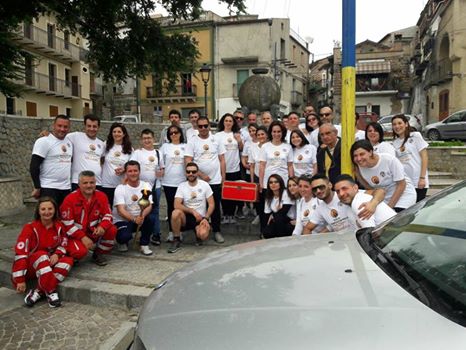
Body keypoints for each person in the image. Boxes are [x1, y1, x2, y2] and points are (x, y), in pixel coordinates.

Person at [12, 197, 73, 308]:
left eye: (50, 209)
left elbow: (64, 243)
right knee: (41, 255)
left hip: (47, 263)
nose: (47, 212)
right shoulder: (29, 228)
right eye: (43, 209)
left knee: (68, 260)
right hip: (30, 266)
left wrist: (57, 254)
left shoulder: (59, 226)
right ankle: (50, 291)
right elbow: (20, 254)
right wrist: (19, 280)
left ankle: (38, 292)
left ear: (55, 210)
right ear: (38, 211)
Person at [60, 171, 117, 266]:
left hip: (93, 232)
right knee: (80, 252)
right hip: (75, 235)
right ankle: (70, 255)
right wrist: (82, 237)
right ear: (79, 184)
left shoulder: (101, 196)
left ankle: (98, 253)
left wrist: (102, 227)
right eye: (85, 183)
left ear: (95, 183)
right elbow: (67, 224)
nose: (89, 185)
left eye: (92, 182)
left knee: (112, 230)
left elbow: (108, 215)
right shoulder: (70, 199)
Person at [185, 116, 226, 244]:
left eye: (205, 126)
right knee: (199, 206)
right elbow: (188, 160)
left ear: (209, 126)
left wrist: (223, 177)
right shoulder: (192, 141)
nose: (203, 128)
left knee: (215, 206)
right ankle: (199, 233)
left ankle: (216, 231)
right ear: (197, 127)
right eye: (200, 126)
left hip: (215, 180)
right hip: (199, 180)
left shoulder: (216, 139)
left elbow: (222, 159)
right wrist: (201, 175)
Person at [303, 174, 385, 234]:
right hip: (345, 243)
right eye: (314, 189)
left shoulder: (345, 194)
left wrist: (373, 204)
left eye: (321, 187)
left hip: (365, 236)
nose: (318, 191)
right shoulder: (320, 209)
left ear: (330, 185)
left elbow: (380, 191)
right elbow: (307, 228)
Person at [351, 140, 416, 212]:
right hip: (384, 197)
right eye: (355, 156)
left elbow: (401, 184)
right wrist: (358, 175)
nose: (359, 158)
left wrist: (389, 208)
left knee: (394, 219)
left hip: (404, 195)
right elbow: (371, 188)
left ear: (370, 152)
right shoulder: (360, 166)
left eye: (362, 154)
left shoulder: (388, 159)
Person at [168, 162, 215, 253]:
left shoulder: (205, 185)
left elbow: (212, 204)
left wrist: (206, 218)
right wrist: (192, 211)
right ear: (186, 173)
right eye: (188, 172)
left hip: (200, 218)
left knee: (202, 235)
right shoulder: (182, 186)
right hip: (187, 217)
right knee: (175, 213)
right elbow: (176, 204)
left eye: (193, 172)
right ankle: (176, 239)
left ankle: (198, 234)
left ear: (197, 173)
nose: (191, 174)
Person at [30, 114, 72, 207]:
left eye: (65, 127)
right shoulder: (44, 141)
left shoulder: (69, 142)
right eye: (59, 126)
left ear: (69, 128)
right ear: (53, 126)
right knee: (48, 218)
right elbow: (34, 165)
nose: (62, 129)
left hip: (66, 189)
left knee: (64, 219)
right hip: (48, 188)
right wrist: (37, 187)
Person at [113, 160, 154, 255]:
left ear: (139, 172)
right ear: (126, 173)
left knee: (151, 218)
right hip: (124, 220)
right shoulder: (120, 188)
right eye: (130, 171)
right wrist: (135, 219)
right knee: (123, 237)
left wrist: (142, 216)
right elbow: (120, 210)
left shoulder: (146, 185)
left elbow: (149, 205)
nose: (133, 173)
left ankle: (144, 244)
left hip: (140, 218)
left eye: (135, 171)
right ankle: (122, 242)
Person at [130, 129, 164, 246]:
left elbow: (162, 167)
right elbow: (132, 168)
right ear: (141, 140)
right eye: (144, 138)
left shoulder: (158, 153)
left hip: (155, 187)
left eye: (149, 138)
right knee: (142, 211)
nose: (147, 140)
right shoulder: (137, 153)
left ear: (153, 139)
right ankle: (144, 235)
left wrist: (161, 172)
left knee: (155, 211)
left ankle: (156, 234)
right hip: (142, 187)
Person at [391, 114, 429, 202]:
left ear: (406, 124)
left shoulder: (415, 136)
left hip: (418, 181)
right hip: (406, 183)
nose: (397, 126)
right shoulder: (395, 143)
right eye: (394, 124)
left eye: (400, 123)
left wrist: (422, 178)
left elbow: (424, 157)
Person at [160, 125, 187, 243]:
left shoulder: (185, 147)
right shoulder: (165, 147)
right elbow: (159, 163)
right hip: (169, 182)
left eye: (176, 132)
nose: (174, 134)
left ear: (180, 133)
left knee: (181, 208)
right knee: (171, 207)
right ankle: (172, 232)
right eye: (171, 133)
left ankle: (180, 231)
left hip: (182, 182)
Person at [215, 113, 243, 224]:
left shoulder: (237, 134)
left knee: (233, 193)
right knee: (223, 193)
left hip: (234, 168)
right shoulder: (218, 136)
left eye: (230, 121)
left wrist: (239, 140)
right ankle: (225, 214)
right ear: (223, 122)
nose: (228, 123)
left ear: (233, 123)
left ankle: (232, 214)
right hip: (222, 169)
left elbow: (241, 149)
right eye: (226, 120)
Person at [66, 114, 105, 190]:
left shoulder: (101, 144)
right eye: (89, 126)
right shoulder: (75, 136)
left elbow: (102, 161)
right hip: (79, 183)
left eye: (94, 126)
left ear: (98, 127)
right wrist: (48, 135)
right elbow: (60, 137)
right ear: (85, 126)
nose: (91, 129)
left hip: (97, 183)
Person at [100, 122, 133, 207]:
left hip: (121, 185)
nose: (116, 134)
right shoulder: (106, 144)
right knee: (107, 209)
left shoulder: (129, 149)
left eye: (119, 132)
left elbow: (131, 166)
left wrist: (124, 169)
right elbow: (100, 159)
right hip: (106, 184)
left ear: (124, 134)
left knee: (119, 210)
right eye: (114, 132)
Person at [259, 121, 294, 192]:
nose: (276, 134)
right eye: (274, 131)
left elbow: (290, 166)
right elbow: (262, 166)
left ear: (283, 132)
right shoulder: (265, 146)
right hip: (268, 183)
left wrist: (291, 182)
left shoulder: (288, 147)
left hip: (284, 182)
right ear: (270, 133)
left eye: (279, 131)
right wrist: (261, 183)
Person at [248, 126, 269, 227]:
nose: (261, 136)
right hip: (257, 177)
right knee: (260, 203)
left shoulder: (270, 146)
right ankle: (261, 221)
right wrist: (252, 181)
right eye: (259, 135)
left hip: (269, 178)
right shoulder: (253, 147)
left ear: (267, 135)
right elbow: (251, 166)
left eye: (262, 134)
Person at [263, 174, 295, 239]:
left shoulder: (286, 193)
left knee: (278, 217)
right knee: (267, 231)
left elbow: (284, 211)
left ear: (280, 183)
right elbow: (266, 214)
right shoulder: (268, 197)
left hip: (290, 220)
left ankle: (281, 240)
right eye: (271, 182)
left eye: (276, 182)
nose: (273, 184)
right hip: (278, 221)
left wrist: (273, 215)